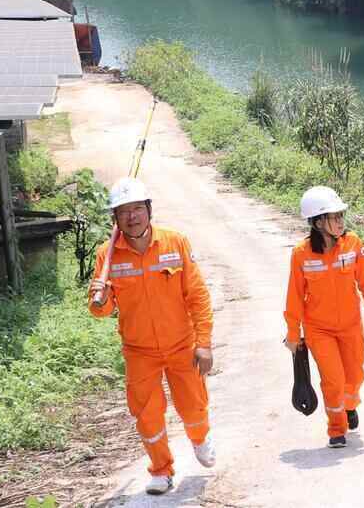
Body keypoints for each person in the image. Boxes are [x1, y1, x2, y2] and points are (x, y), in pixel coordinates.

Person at [88, 177, 216, 496]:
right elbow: (101, 310)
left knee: (193, 406)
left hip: (181, 344)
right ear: (115, 219)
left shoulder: (175, 243)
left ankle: (200, 440)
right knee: (147, 415)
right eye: (123, 212)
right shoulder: (108, 256)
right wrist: (100, 300)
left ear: (148, 210)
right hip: (139, 351)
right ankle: (161, 469)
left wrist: (204, 343)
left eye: (137, 209)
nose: (132, 217)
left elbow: (198, 296)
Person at [284, 185, 364, 447]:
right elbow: (294, 297)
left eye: (341, 216)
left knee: (354, 377)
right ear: (318, 222)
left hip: (351, 326)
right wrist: (294, 335)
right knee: (333, 380)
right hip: (319, 330)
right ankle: (336, 428)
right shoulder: (301, 254)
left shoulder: (353, 245)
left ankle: (349, 406)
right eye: (334, 217)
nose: (341, 222)